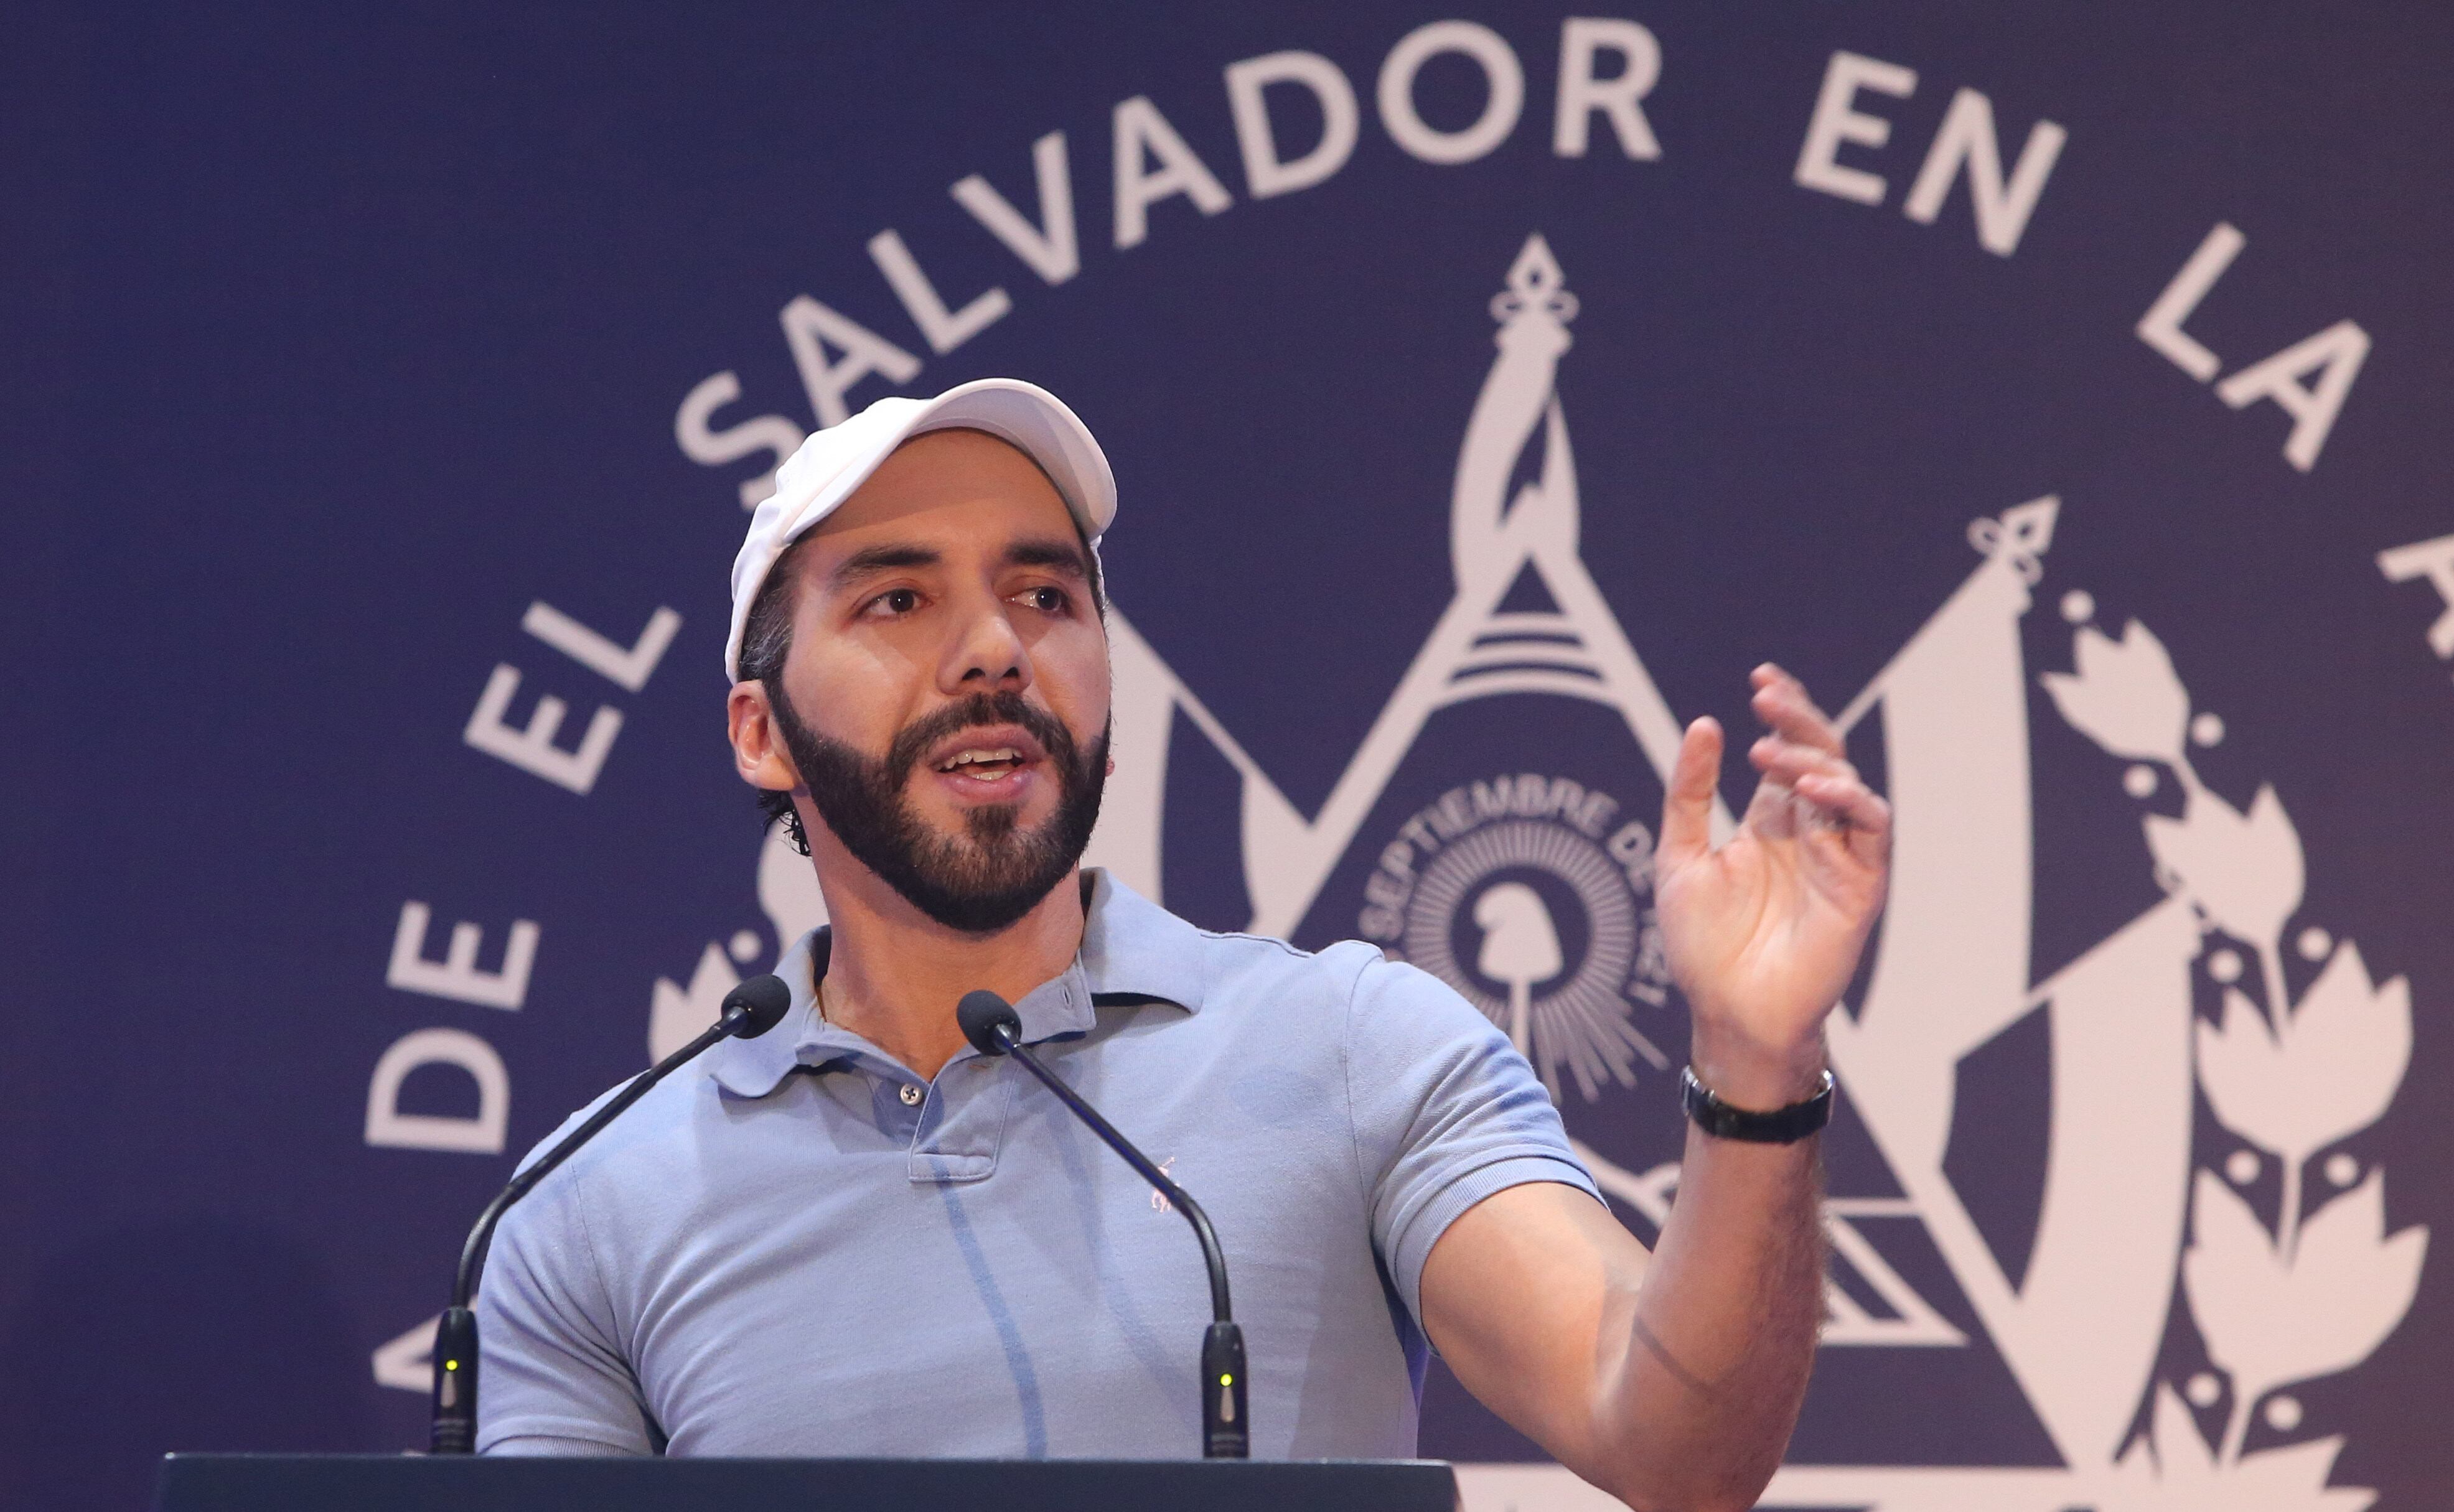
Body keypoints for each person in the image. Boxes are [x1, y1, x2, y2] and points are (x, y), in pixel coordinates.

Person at [477, 379, 1892, 1512]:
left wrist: (1754, 1060)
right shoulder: (589, 1204)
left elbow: (1675, 1450)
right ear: (760, 731)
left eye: (1045, 596)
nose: (993, 650)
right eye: (897, 600)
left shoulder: (1347, 1046)